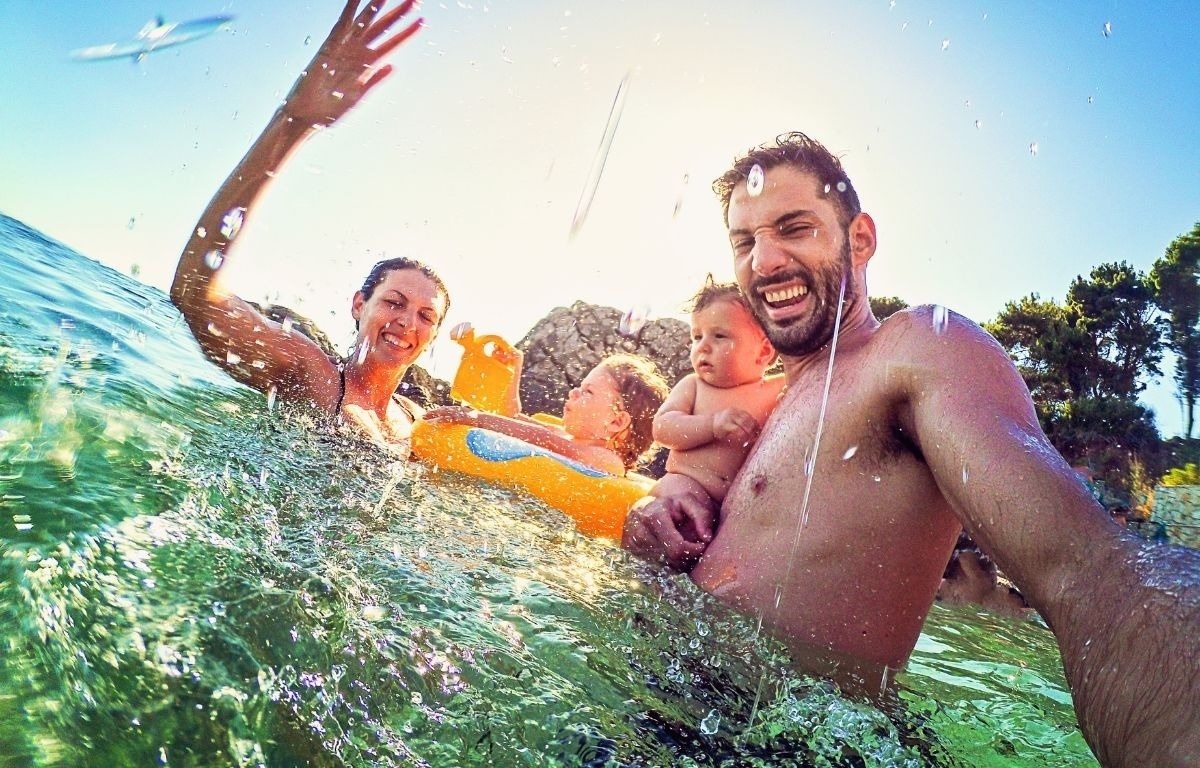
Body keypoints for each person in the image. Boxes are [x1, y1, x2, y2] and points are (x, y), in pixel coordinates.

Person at [621, 132, 1199, 766]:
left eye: (794, 228)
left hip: (788, 744)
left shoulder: (916, 351)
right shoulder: (770, 407)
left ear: (860, 239)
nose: (764, 261)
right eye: (744, 241)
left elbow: (1088, 572)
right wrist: (673, 497)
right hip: (668, 707)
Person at [170, 0, 445, 453]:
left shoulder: (419, 426)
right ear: (359, 305)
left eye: (425, 315)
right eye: (394, 301)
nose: (406, 322)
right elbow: (196, 293)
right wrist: (293, 123)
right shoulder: (312, 374)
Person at [646, 279, 783, 511]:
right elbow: (662, 428)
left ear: (764, 350)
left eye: (719, 336)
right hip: (681, 485)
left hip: (731, 508)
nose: (703, 347)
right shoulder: (694, 386)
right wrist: (712, 425)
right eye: (697, 336)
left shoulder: (776, 390)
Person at [424, 354, 668, 476]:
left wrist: (475, 418)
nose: (573, 392)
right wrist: (516, 367)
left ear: (616, 421)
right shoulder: (567, 436)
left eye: (588, 391)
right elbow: (514, 416)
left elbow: (542, 439)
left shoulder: (607, 461)